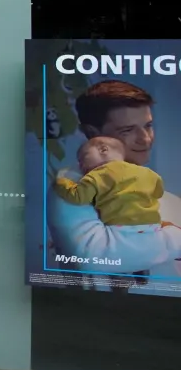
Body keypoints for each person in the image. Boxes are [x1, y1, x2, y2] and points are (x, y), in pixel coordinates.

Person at [48, 80, 181, 281]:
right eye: (127, 130)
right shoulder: (71, 187)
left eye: (148, 126)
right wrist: (175, 240)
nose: (145, 138)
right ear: (92, 133)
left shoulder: (169, 200)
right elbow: (93, 257)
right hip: (100, 302)